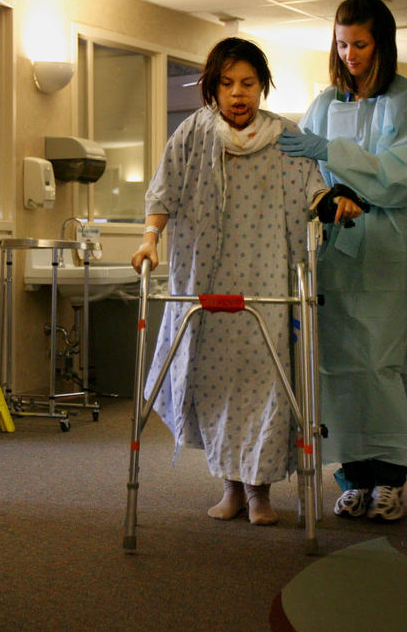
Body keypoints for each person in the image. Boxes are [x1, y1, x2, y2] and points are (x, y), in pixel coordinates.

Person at [131, 38, 362, 526]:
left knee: (268, 387)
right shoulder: (194, 133)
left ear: (263, 86)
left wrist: (333, 202)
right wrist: (151, 239)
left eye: (248, 84)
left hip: (269, 282)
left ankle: (260, 493)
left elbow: (313, 190)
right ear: (213, 87)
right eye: (227, 84)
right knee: (220, 388)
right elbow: (163, 190)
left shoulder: (284, 135)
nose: (238, 94)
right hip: (208, 284)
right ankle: (230, 486)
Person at [279, 0, 407, 522]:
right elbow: (304, 170)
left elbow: (402, 173)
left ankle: (391, 479)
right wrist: (328, 193)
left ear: (383, 43)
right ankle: (352, 476)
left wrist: (336, 155)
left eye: (361, 44)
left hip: (386, 241)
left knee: (382, 362)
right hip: (338, 246)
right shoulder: (326, 103)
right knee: (341, 364)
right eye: (342, 43)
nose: (350, 54)